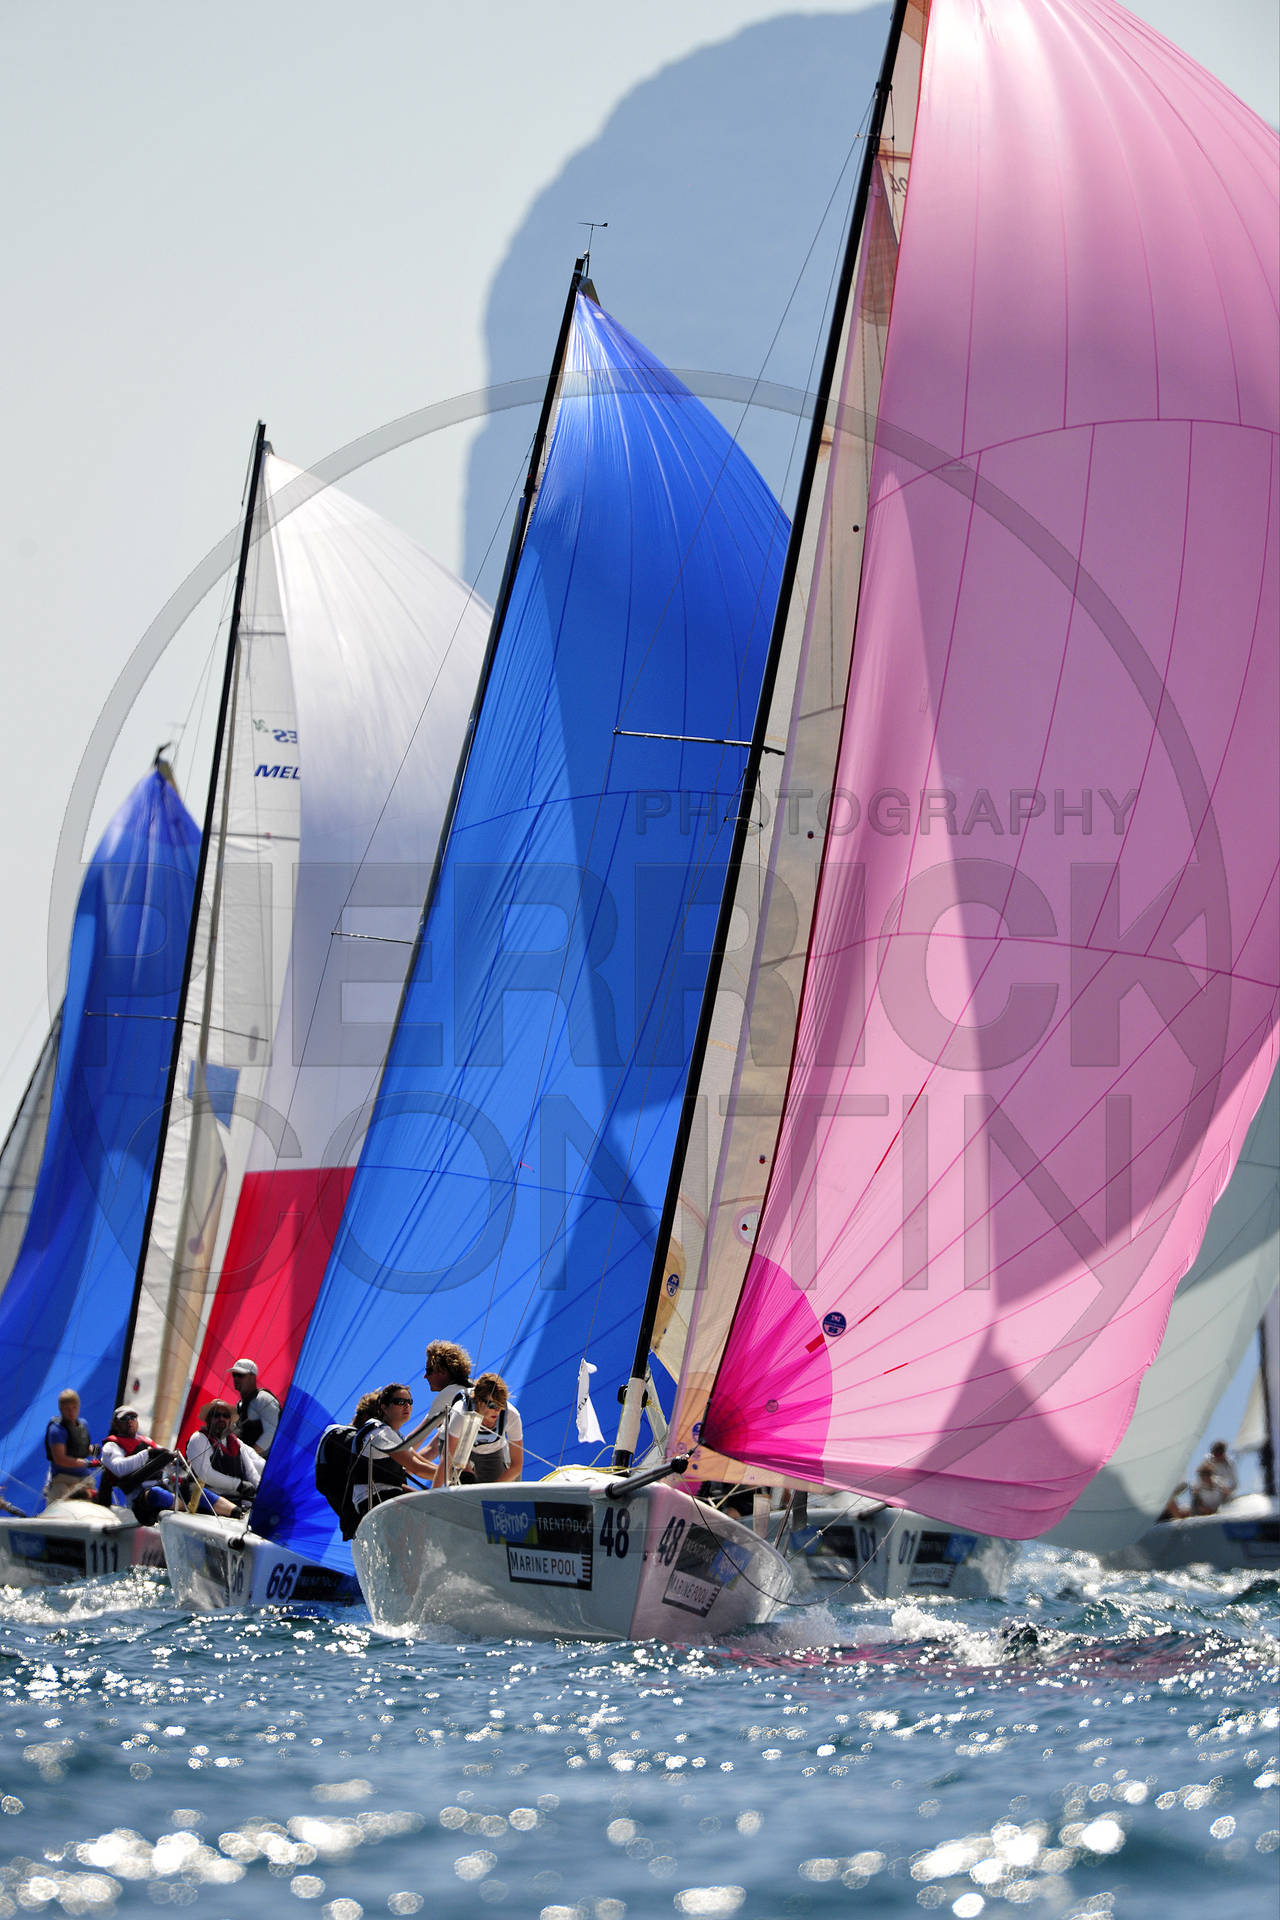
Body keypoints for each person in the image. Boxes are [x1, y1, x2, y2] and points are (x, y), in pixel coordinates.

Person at [347, 1383, 436, 1532]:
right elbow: (416, 1468)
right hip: (375, 1500)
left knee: (432, 1507)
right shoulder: (379, 1434)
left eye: (409, 1402)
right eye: (400, 1402)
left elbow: (422, 1462)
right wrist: (451, 1477)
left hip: (386, 1497)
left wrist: (451, 1472)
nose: (407, 1406)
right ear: (384, 1407)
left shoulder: (394, 1435)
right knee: (431, 1511)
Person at [435, 1372, 524, 1487]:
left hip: (490, 1450)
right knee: (463, 1480)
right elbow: (447, 1460)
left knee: (500, 1488)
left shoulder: (511, 1415)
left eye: (501, 1405)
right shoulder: (460, 1413)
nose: (497, 1410)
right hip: (457, 1445)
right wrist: (435, 1491)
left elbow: (516, 1466)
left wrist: (492, 1491)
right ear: (478, 1401)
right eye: (493, 1405)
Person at [97, 1408, 176, 1524]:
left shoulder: (147, 1441)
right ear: (115, 1423)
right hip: (140, 1502)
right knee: (157, 1494)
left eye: (133, 1418)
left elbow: (171, 1464)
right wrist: (147, 1454)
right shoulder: (111, 1446)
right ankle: (179, 1508)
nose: (130, 1421)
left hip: (162, 1488)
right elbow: (119, 1468)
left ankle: (183, 1510)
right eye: (124, 1419)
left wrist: (178, 1463)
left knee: (197, 1493)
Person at [185, 1400, 263, 1515]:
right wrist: (238, 1485)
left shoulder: (237, 1443)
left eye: (225, 1416)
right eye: (216, 1415)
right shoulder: (198, 1439)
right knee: (236, 1511)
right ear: (208, 1419)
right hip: (206, 1499)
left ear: (230, 1420)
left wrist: (263, 1491)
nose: (221, 1418)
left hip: (235, 1500)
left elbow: (251, 1473)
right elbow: (205, 1474)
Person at [405, 1340, 474, 1460]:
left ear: (442, 1371)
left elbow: (416, 1439)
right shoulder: (468, 1389)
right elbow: (432, 1450)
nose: (425, 1376)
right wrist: (407, 1468)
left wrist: (393, 1459)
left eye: (428, 1371)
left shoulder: (450, 1393)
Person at [43, 1389, 98, 1505]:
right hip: (63, 1480)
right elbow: (60, 1459)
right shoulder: (56, 1430)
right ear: (61, 1409)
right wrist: (86, 1463)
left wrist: (92, 1450)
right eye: (67, 1409)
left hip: (84, 1479)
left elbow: (79, 1447)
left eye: (74, 1408)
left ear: (79, 1407)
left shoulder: (83, 1424)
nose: (71, 1412)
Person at [229, 1359, 281, 1456]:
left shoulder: (263, 1399)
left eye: (240, 1375)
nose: (236, 1378)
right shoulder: (239, 1405)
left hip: (264, 1460)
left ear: (252, 1377)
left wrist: (249, 1456)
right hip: (248, 1459)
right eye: (234, 1375)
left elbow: (271, 1431)